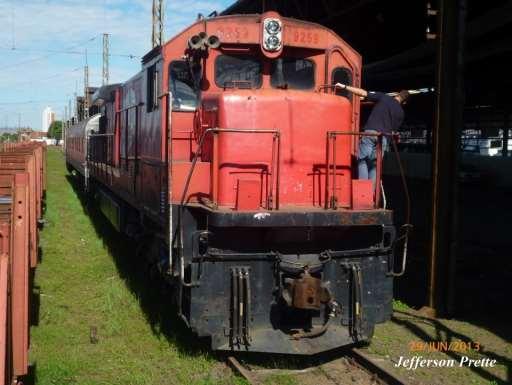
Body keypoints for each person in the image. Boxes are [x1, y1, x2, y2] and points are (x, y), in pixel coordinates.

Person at [335, 83, 409, 185]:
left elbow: (363, 93)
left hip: (370, 133)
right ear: (404, 102)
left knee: (362, 160)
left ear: (397, 94)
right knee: (374, 165)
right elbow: (393, 132)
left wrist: (344, 87)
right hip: (383, 138)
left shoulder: (384, 97)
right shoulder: (401, 113)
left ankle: (363, 192)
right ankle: (371, 196)